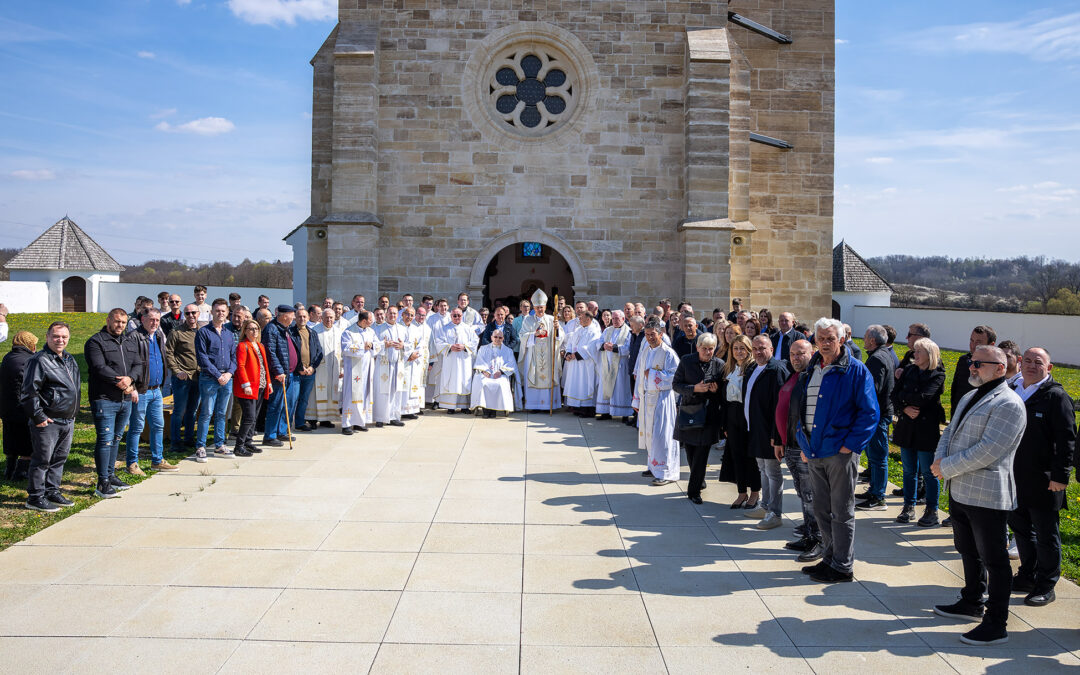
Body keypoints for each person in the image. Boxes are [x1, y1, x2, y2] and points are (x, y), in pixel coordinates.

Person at [931, 344, 1026, 646]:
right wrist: (939, 461)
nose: (972, 368)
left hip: (987, 494)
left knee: (995, 559)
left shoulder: (1009, 403)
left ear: (1000, 368)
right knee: (967, 550)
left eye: (979, 364)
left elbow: (989, 450)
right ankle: (971, 599)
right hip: (960, 490)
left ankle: (996, 622)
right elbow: (949, 433)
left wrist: (946, 467)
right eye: (972, 363)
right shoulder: (971, 396)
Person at [794, 318, 879, 584]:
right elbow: (801, 406)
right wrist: (804, 443)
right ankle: (830, 558)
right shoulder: (812, 369)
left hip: (840, 452)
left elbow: (869, 413)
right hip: (815, 451)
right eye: (821, 338)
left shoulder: (856, 370)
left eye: (831, 338)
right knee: (821, 508)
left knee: (841, 511)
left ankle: (843, 566)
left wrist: (849, 446)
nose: (825, 343)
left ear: (841, 340)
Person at [1008, 347, 1076, 607]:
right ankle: (1027, 574)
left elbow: (1067, 440)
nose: (1031, 366)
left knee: (1047, 535)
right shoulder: (1013, 391)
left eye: (1039, 362)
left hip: (1045, 480)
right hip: (1014, 478)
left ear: (1049, 368)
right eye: (1027, 361)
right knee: (1022, 530)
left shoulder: (1056, 397)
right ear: (1019, 363)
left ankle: (1047, 584)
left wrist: (1060, 476)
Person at [20, 322, 80, 512]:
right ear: (47, 337)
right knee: (42, 460)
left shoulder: (70, 359)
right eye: (56, 336)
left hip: (67, 419)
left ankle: (52, 490)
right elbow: (29, 392)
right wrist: (39, 417)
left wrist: (73, 413)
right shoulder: (39, 360)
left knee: (59, 458)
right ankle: (35, 497)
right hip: (48, 421)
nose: (60, 340)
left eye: (64, 337)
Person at [85, 308, 145, 497]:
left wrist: (130, 379)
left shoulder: (128, 341)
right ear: (108, 320)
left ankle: (111, 476)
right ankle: (102, 482)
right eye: (117, 321)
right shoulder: (96, 341)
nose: (120, 325)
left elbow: (138, 364)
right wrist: (121, 382)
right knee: (105, 439)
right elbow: (98, 367)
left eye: (123, 322)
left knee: (117, 438)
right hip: (104, 399)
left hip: (125, 400)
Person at [773, 338, 822, 562]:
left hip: (803, 447)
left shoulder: (814, 377)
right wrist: (779, 440)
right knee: (803, 494)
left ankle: (818, 540)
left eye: (801, 353)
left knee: (811, 495)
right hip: (790, 444)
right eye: (793, 354)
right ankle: (809, 534)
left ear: (812, 353)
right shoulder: (796, 375)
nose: (796, 358)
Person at [891, 337, 946, 525]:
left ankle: (932, 509)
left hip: (925, 429)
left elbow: (924, 397)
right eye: (915, 351)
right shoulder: (909, 370)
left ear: (929, 354)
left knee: (929, 471)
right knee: (908, 470)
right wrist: (905, 407)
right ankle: (909, 506)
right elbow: (894, 395)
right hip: (907, 427)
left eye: (919, 351)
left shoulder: (937, 375)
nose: (915, 354)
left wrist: (905, 398)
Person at [741, 335, 790, 529]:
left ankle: (775, 513)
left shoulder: (776, 370)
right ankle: (765, 505)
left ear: (771, 349)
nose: (758, 352)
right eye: (755, 348)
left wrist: (776, 435)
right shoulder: (753, 367)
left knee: (773, 472)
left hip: (770, 432)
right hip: (755, 429)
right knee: (762, 469)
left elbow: (780, 406)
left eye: (762, 348)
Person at [124, 309, 178, 474]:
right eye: (151, 319)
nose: (154, 323)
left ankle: (157, 460)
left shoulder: (159, 336)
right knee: (137, 427)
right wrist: (131, 387)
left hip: (157, 391)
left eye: (157, 320)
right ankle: (132, 464)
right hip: (141, 390)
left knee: (158, 426)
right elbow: (128, 364)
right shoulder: (134, 337)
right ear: (143, 319)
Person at [672, 332, 723, 504]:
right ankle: (699, 480)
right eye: (704, 349)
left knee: (702, 453)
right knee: (691, 451)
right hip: (690, 411)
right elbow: (676, 385)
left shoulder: (719, 365)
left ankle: (693, 491)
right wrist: (694, 388)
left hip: (709, 414)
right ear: (697, 347)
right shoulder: (687, 361)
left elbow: (724, 391)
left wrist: (716, 390)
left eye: (711, 349)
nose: (708, 352)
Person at [633, 318, 680, 486]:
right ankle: (653, 467)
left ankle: (666, 472)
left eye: (653, 335)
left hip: (663, 399)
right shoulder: (646, 350)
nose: (650, 338)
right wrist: (638, 398)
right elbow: (639, 374)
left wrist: (652, 375)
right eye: (647, 335)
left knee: (663, 435)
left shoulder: (668, 353)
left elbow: (676, 377)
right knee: (651, 434)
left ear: (660, 334)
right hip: (648, 398)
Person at [855, 324, 895, 512]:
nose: (863, 339)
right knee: (874, 456)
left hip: (878, 415)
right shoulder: (881, 355)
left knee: (878, 457)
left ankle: (879, 497)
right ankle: (874, 490)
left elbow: (874, 389)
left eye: (865, 336)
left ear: (872, 340)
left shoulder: (877, 359)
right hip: (878, 413)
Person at [195, 299, 237, 461]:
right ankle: (201, 446)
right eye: (217, 310)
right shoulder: (204, 332)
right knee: (206, 413)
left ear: (227, 313)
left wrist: (229, 374)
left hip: (227, 379)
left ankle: (219, 445)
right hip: (209, 378)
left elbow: (234, 356)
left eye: (223, 311)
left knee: (221, 413)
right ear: (211, 312)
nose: (220, 313)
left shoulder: (229, 334)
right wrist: (217, 375)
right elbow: (202, 358)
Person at [720, 335, 759, 509]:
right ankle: (741, 492)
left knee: (750, 458)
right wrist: (725, 424)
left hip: (747, 418)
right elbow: (725, 400)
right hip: (732, 417)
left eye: (742, 348)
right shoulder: (731, 369)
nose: (739, 352)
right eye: (735, 348)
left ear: (749, 349)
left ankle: (755, 492)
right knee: (736, 456)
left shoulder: (753, 368)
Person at [518, 289, 564, 412]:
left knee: (548, 377)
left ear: (545, 307)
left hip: (548, 355)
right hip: (533, 355)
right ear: (534, 307)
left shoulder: (551, 319)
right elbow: (522, 336)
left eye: (542, 307)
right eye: (537, 307)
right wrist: (534, 334)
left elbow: (560, 338)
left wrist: (557, 329)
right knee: (534, 376)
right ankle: (534, 406)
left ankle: (548, 405)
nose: (540, 310)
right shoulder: (528, 320)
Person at [262, 305, 300, 448]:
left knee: (286, 405)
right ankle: (270, 435)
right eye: (292, 315)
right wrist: (278, 371)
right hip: (278, 375)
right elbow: (270, 352)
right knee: (276, 405)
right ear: (284, 316)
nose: (294, 318)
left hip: (289, 372)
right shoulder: (272, 329)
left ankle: (281, 431)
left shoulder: (285, 329)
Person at [2, 330, 37, 481]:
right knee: (25, 442)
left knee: (11, 439)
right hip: (20, 408)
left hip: (6, 407)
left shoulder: (9, 357)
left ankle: (9, 470)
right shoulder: (26, 360)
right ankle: (21, 473)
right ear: (29, 344)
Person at [165, 303, 201, 453]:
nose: (191, 316)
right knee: (179, 410)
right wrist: (176, 371)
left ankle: (188, 438)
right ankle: (175, 442)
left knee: (192, 411)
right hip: (182, 378)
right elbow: (168, 353)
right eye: (187, 313)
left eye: (193, 313)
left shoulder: (203, 331)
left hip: (198, 377)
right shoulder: (176, 332)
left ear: (198, 313)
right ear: (184, 315)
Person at [233, 320, 271, 456]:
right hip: (248, 387)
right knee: (249, 417)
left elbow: (265, 366)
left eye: (256, 329)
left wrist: (269, 382)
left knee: (254, 416)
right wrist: (246, 384)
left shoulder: (260, 346)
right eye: (251, 329)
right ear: (245, 330)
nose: (254, 331)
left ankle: (248, 442)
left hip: (260, 385)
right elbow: (241, 366)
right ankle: (239, 446)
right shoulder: (243, 346)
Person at [340, 310, 381, 433]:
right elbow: (345, 348)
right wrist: (362, 346)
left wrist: (372, 345)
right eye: (370, 320)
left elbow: (377, 345)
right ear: (364, 321)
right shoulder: (349, 332)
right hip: (353, 370)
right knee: (351, 395)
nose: (372, 323)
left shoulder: (370, 331)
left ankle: (359, 422)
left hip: (367, 369)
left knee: (364, 394)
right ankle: (346, 424)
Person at [435, 308, 479, 413]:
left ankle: (464, 406)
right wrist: (450, 347)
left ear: (462, 316)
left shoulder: (468, 328)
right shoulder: (445, 328)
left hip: (464, 360)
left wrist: (465, 346)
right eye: (454, 315)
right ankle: (450, 406)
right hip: (450, 360)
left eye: (458, 315)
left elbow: (475, 341)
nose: (456, 317)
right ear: (451, 316)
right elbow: (438, 341)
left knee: (464, 380)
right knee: (451, 381)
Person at [372, 307, 410, 427]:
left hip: (397, 364)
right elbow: (373, 345)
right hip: (383, 364)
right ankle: (380, 417)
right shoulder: (378, 329)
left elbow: (409, 345)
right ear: (386, 314)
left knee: (395, 390)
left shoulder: (403, 329)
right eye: (390, 313)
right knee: (381, 391)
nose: (392, 315)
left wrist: (403, 345)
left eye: (395, 313)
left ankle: (394, 416)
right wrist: (384, 345)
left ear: (397, 315)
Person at [289, 307, 324, 432]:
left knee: (304, 400)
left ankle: (299, 423)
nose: (302, 319)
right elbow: (290, 353)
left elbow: (319, 352)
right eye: (299, 316)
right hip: (296, 373)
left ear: (308, 318)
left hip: (309, 373)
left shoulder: (312, 333)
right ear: (295, 318)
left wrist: (312, 367)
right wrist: (299, 367)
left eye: (304, 316)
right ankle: (286, 427)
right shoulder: (290, 333)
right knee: (292, 400)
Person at [562, 309, 602, 417]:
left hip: (586, 363)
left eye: (581, 318)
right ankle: (577, 408)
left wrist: (577, 354)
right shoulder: (578, 330)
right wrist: (569, 353)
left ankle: (588, 409)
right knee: (576, 384)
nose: (579, 319)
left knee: (584, 385)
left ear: (588, 319)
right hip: (575, 363)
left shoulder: (594, 331)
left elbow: (592, 346)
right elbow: (570, 343)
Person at [950, 325, 996, 417]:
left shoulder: (994, 367)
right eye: (971, 340)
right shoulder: (963, 361)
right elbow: (955, 390)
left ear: (991, 345)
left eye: (978, 342)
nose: (973, 345)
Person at [597, 310, 633, 421]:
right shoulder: (608, 330)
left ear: (623, 319)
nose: (615, 321)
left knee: (621, 389)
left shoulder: (628, 331)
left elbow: (628, 348)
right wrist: (604, 345)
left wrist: (615, 347)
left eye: (617, 318)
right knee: (606, 387)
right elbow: (599, 342)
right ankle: (606, 412)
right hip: (607, 364)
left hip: (620, 365)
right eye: (613, 319)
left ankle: (624, 413)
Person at [471, 328, 516, 417]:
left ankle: (494, 411)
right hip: (486, 374)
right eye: (495, 337)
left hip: (500, 375)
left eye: (500, 337)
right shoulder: (483, 349)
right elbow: (479, 361)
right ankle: (486, 410)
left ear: (503, 338)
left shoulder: (508, 350)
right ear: (491, 337)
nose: (497, 339)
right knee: (483, 383)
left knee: (500, 384)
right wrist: (484, 371)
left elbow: (511, 365)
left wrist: (501, 371)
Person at [310, 307, 344, 428]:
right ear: (321, 318)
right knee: (315, 392)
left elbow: (342, 352)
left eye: (331, 317)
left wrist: (342, 368)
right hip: (319, 367)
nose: (329, 319)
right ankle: (312, 419)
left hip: (334, 367)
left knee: (330, 392)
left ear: (335, 318)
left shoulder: (339, 332)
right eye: (326, 317)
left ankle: (326, 419)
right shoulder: (314, 331)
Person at [401, 307, 430, 419]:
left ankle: (410, 410)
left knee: (412, 386)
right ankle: (400, 410)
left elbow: (421, 345)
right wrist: (409, 355)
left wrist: (415, 355)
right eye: (407, 314)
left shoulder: (415, 329)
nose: (409, 317)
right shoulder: (398, 327)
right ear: (403, 315)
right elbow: (400, 344)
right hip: (402, 361)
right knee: (402, 386)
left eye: (412, 315)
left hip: (413, 362)